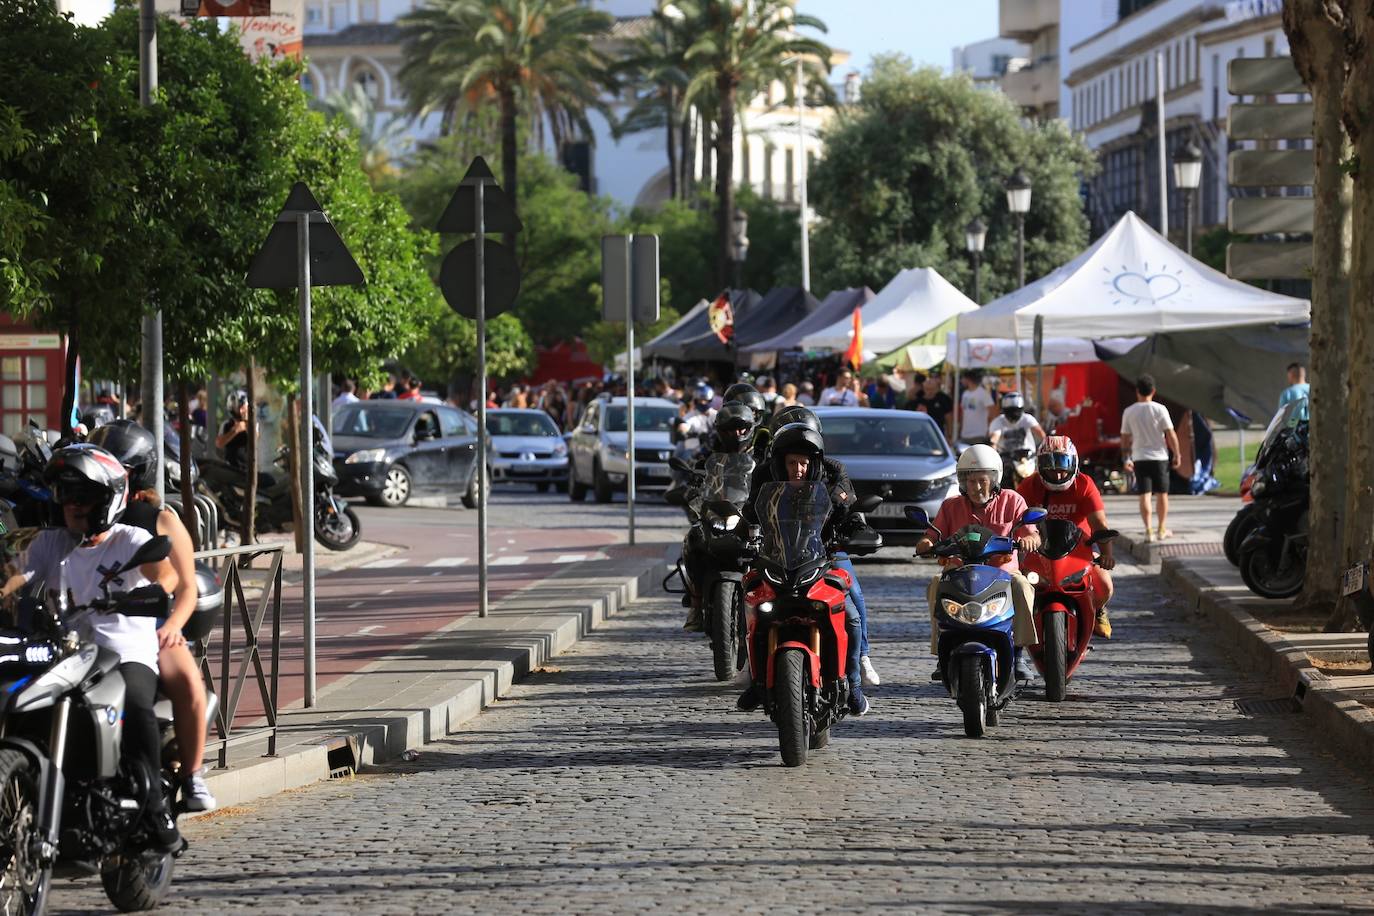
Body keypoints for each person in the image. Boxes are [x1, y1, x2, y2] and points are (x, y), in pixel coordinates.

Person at [3, 445, 183, 852]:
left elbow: (166, 574)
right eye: (65, 495)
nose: (72, 505)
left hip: (123, 654)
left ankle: (155, 806)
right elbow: (17, 573)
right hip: (65, 652)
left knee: (136, 704)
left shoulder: (129, 539)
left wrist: (153, 591)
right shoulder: (51, 543)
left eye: (81, 496)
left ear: (106, 499)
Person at [89, 421, 218, 809]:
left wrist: (173, 626)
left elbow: (186, 585)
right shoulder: (79, 511)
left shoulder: (160, 519)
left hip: (149, 624)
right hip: (87, 622)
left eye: (116, 466)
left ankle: (192, 776)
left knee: (189, 683)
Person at [738, 422, 872, 716]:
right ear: (780, 463)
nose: (797, 469)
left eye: (803, 463)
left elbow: (848, 511)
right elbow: (749, 514)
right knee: (752, 603)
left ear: (813, 464)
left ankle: (853, 684)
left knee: (850, 616)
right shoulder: (767, 483)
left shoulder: (831, 480)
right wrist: (737, 539)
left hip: (820, 563)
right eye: (791, 463)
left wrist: (856, 529)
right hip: (777, 563)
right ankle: (756, 681)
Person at [915, 444, 1041, 682]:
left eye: (982, 481)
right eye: (970, 481)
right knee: (936, 583)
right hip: (959, 572)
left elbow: (1031, 533)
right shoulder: (950, 505)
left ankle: (1018, 652)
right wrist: (926, 544)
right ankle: (943, 649)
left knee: (1023, 586)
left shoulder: (1012, 500)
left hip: (1002, 573)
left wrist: (1029, 540)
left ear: (994, 479)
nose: (976, 487)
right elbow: (931, 536)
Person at [1016, 436, 1116, 638]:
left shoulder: (1085, 485)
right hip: (1038, 551)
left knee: (1105, 585)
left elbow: (1099, 524)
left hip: (1079, 551)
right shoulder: (1029, 486)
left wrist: (1106, 555)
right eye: (1050, 466)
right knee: (1017, 586)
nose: (1058, 472)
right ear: (1040, 466)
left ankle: (1098, 610)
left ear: (1073, 463)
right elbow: (1015, 520)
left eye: (1062, 464)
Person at [1120, 374, 1181, 542]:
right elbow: (1170, 434)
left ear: (1137, 391)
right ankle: (1161, 529)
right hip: (1160, 457)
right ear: (1153, 391)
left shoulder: (1129, 411)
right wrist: (1177, 453)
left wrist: (1126, 458)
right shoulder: (1160, 409)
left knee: (1144, 494)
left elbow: (1125, 437)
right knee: (1162, 494)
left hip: (1139, 457)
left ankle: (1148, 530)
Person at [989, 391, 1045, 456]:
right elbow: (994, 439)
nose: (1014, 414)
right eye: (1010, 411)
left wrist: (1042, 447)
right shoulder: (998, 422)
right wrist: (993, 454)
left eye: (1016, 410)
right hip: (1005, 458)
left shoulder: (1027, 419)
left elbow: (1041, 434)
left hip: (1028, 457)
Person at [958, 370, 997, 444]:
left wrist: (989, 430)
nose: (961, 381)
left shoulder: (983, 393)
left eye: (963, 378)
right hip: (965, 435)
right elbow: (963, 414)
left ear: (968, 379)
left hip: (979, 435)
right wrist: (960, 430)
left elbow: (992, 413)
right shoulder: (965, 394)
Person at [215, 390, 252, 468]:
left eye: (243, 407)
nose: (241, 411)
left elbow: (257, 440)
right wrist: (235, 430)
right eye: (239, 407)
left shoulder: (253, 423)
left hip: (248, 467)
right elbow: (219, 443)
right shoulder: (227, 424)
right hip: (231, 467)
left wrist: (247, 425)